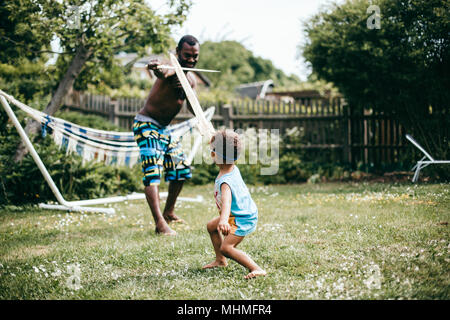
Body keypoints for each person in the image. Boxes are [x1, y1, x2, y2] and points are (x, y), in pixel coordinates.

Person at [133, 35, 200, 236]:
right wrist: (156, 67)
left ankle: (169, 211)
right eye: (187, 55)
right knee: (153, 172)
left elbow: (193, 107)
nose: (191, 59)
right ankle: (160, 224)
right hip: (146, 125)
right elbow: (163, 71)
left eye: (195, 56)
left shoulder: (191, 79)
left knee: (181, 170)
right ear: (178, 52)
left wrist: (188, 93)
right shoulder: (171, 68)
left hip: (165, 130)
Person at [202, 130, 267, 279]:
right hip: (239, 213)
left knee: (227, 247)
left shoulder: (226, 182)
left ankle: (256, 268)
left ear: (214, 155)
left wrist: (224, 220)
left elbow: (227, 202)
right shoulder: (231, 168)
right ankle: (220, 261)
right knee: (211, 226)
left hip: (241, 218)